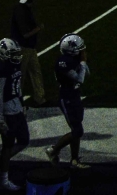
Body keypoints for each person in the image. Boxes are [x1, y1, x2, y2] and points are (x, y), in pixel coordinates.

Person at [45, 33, 88, 168]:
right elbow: (80, 78)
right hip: (67, 97)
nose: (83, 51)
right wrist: (83, 63)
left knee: (77, 127)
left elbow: (87, 73)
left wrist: (82, 65)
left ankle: (74, 160)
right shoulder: (63, 62)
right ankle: (53, 150)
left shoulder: (71, 59)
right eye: (80, 48)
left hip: (74, 95)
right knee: (77, 131)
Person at [0, 38, 29, 191]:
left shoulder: (15, 64)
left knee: (24, 140)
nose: (16, 56)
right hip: (7, 111)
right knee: (7, 146)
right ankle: (4, 180)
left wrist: (22, 102)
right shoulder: (0, 68)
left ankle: (0, 162)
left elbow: (18, 86)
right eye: (12, 53)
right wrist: (0, 119)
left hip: (17, 107)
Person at [11, 0, 46, 106]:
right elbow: (25, 34)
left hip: (29, 47)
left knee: (36, 72)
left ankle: (40, 98)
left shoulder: (22, 9)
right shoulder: (21, 11)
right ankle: (16, 100)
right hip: (23, 48)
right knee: (20, 75)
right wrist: (39, 28)